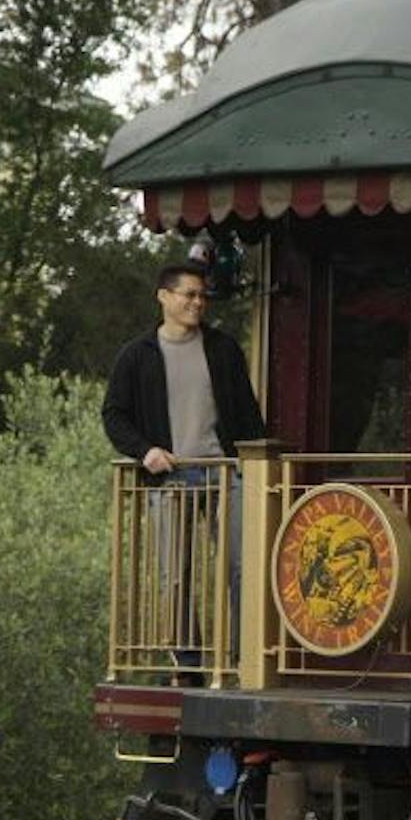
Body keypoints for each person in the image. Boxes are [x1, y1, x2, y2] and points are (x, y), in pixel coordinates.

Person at [103, 261, 266, 672]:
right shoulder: (136, 355)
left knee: (243, 565)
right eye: (189, 294)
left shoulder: (223, 349)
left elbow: (247, 414)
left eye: (202, 296)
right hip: (170, 477)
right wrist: (145, 452)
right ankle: (188, 661)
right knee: (175, 572)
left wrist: (258, 463)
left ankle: (243, 658)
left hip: (226, 474)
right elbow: (114, 415)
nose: (198, 302)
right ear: (163, 296)